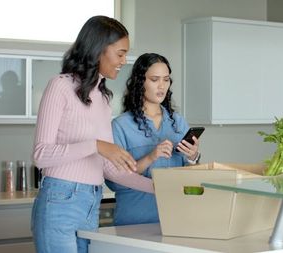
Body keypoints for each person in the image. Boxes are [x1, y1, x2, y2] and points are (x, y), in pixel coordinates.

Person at [31, 16, 154, 253]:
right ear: (99, 49)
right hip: (60, 201)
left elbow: (108, 168)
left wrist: (158, 187)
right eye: (120, 53)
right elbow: (41, 155)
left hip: (91, 202)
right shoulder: (60, 86)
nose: (123, 60)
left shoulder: (103, 98)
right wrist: (96, 145)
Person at [105, 53, 201, 225]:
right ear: (140, 82)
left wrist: (193, 158)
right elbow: (114, 182)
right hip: (134, 221)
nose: (161, 86)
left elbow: (192, 180)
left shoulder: (178, 122)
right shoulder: (120, 126)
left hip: (176, 220)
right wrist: (151, 157)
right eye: (155, 79)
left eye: (166, 79)